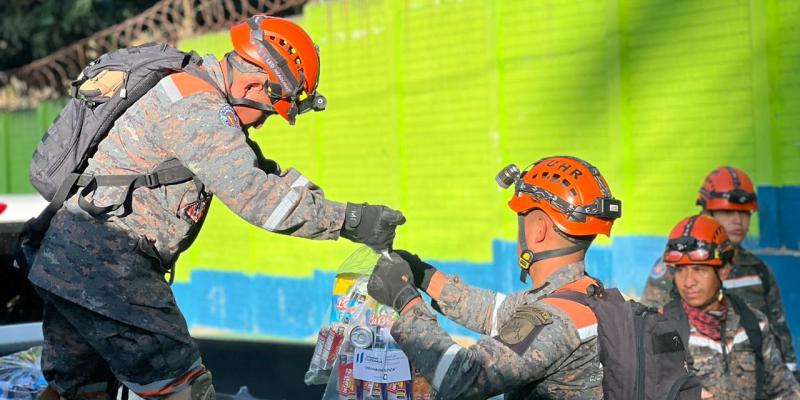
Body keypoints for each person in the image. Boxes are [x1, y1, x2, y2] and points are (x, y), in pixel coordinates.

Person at [27, 15, 404, 400]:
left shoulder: (194, 93)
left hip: (69, 262)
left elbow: (260, 171)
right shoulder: (198, 108)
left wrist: (343, 212)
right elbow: (256, 197)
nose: (261, 124)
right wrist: (351, 221)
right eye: (270, 111)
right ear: (254, 83)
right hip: (109, 267)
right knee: (184, 390)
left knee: (76, 392)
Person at [367, 156, 623, 398]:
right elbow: (494, 312)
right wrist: (422, 275)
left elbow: (462, 379)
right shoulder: (580, 293)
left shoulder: (555, 320)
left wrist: (407, 303)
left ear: (539, 230)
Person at [642, 166, 797, 375]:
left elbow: (779, 334)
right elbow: (650, 331)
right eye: (727, 211)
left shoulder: (759, 271)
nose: (738, 221)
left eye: (744, 213)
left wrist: (791, 377)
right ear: (706, 212)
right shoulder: (675, 268)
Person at [659, 214, 800, 399]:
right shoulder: (662, 330)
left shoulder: (752, 324)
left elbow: (785, 390)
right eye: (680, 270)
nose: (688, 282)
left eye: (699, 269)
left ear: (723, 271)